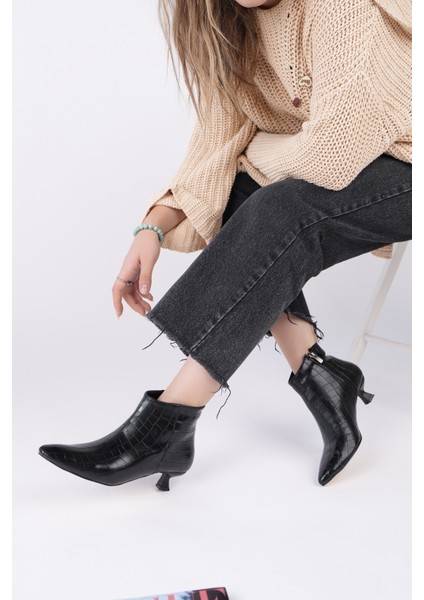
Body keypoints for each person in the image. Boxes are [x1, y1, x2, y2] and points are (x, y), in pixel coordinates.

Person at [39, 0, 412, 489]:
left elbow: (333, 150)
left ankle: (167, 424)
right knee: (237, 192)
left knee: (273, 203)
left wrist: (249, 155)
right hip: (359, 169)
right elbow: (215, 154)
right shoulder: (232, 25)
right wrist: (152, 228)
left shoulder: (339, 6)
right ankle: (316, 373)